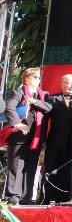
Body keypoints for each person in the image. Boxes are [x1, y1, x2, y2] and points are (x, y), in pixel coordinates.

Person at [3, 68, 52, 205]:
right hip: (20, 135)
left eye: (38, 77)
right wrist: (18, 124)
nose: (38, 79)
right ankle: (13, 196)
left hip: (35, 137)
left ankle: (27, 196)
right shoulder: (18, 92)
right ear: (26, 79)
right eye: (34, 77)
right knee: (16, 165)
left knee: (31, 166)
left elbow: (49, 108)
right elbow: (9, 108)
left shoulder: (43, 95)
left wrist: (34, 102)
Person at [42, 74, 72, 203]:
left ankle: (65, 198)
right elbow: (44, 121)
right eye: (68, 83)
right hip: (55, 141)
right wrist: (42, 140)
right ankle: (48, 197)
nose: (71, 86)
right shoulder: (52, 99)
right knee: (51, 169)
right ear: (62, 84)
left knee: (69, 171)